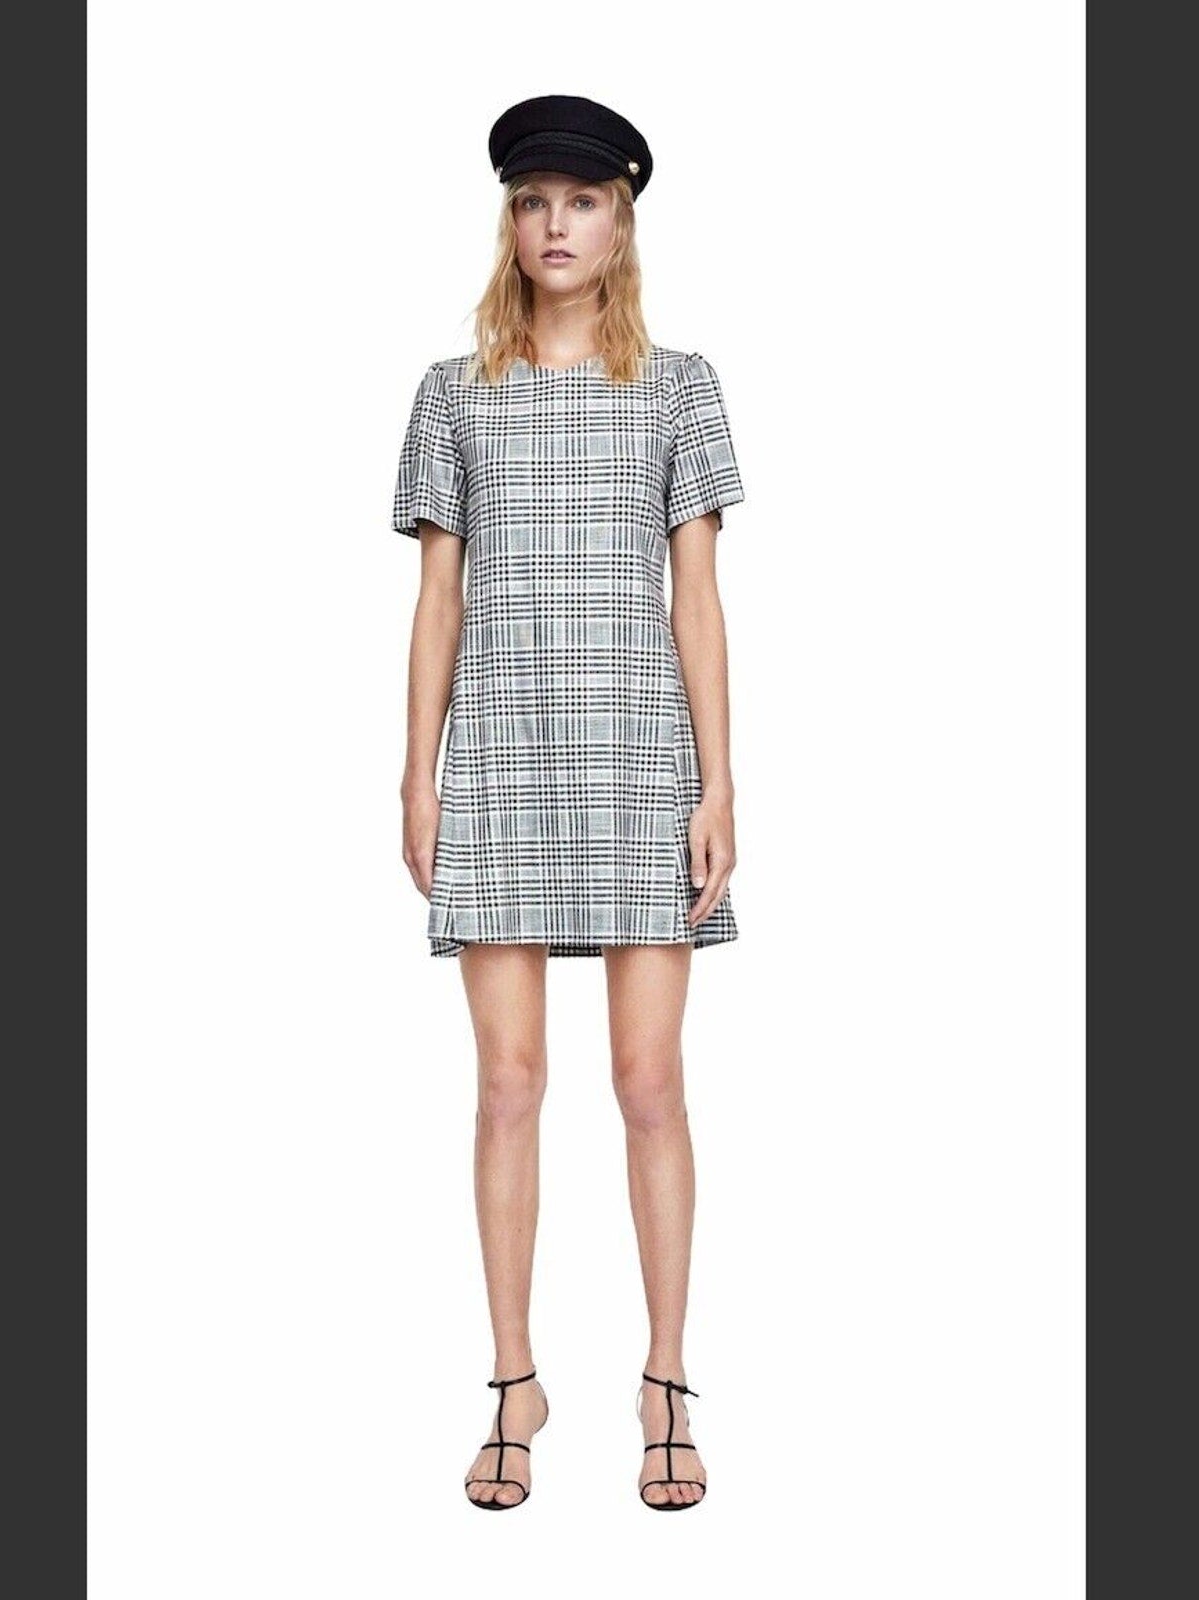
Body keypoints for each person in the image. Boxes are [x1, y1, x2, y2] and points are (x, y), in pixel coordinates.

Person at [390, 93, 746, 1511]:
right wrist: (416, 772)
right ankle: (512, 1381)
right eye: (535, 200)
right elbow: (437, 601)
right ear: (510, 220)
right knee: (508, 1085)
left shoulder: (680, 386)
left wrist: (721, 781)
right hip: (499, 758)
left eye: (583, 201)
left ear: (621, 221)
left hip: (643, 761)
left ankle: (666, 1381)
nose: (557, 225)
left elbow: (698, 599)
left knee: (649, 1082)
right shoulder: (452, 391)